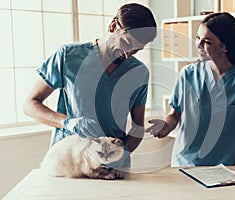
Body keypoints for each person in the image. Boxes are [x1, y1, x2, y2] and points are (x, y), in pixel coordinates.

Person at [23, 3, 157, 169]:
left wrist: (120, 153)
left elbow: (138, 128)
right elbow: (30, 104)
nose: (128, 54)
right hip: (69, 163)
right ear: (113, 25)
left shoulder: (138, 73)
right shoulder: (67, 57)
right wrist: (68, 122)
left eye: (137, 50)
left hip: (112, 167)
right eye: (127, 43)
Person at [146, 12, 235, 178]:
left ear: (224, 46)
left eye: (207, 42)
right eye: (198, 38)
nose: (198, 45)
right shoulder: (187, 75)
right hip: (186, 165)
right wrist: (166, 126)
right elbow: (174, 114)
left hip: (227, 169)